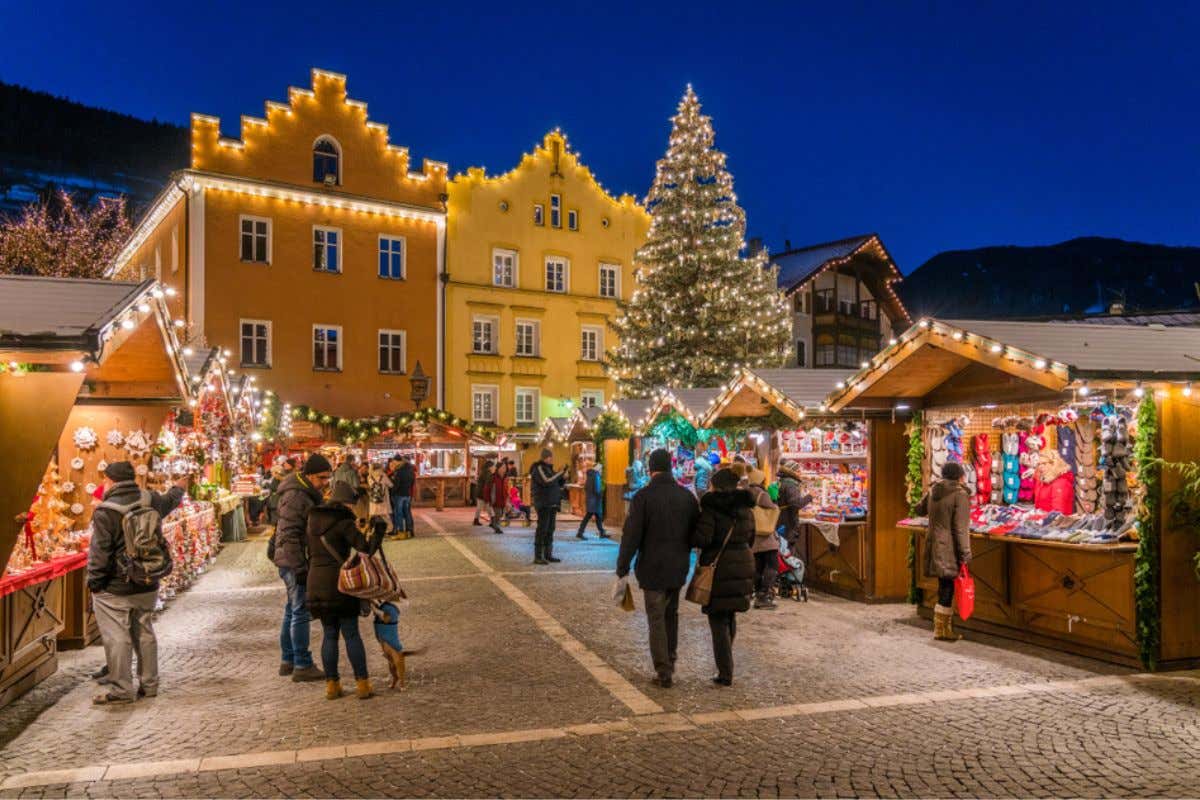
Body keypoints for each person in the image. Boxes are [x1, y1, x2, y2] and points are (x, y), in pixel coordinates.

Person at [87, 461, 187, 704]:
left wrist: (95, 582)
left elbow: (100, 551)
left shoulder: (106, 511)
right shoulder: (150, 499)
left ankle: (121, 689)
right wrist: (178, 488)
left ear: (109, 481)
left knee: (117, 636)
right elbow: (170, 500)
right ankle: (149, 684)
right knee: (144, 630)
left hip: (116, 585)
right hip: (148, 579)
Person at [616, 448, 699, 688]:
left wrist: (622, 566)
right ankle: (669, 659)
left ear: (651, 468)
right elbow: (696, 533)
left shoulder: (643, 497)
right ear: (671, 468)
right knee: (671, 614)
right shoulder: (686, 497)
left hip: (652, 568)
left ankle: (664, 670)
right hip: (678, 567)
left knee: (656, 618)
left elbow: (631, 535)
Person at [306, 481, 386, 700]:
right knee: (351, 633)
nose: (352, 508)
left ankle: (332, 686)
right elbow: (366, 549)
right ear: (345, 503)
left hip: (316, 583)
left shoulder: (312, 519)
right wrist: (379, 531)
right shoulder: (344, 521)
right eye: (351, 504)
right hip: (340, 585)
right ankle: (362, 685)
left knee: (329, 634)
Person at [271, 454, 332, 682]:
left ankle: (288, 659)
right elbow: (289, 534)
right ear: (309, 475)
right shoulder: (297, 495)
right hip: (293, 561)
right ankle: (302, 664)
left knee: (292, 608)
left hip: (289, 559)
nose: (325, 482)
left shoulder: (302, 492)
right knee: (300, 611)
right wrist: (300, 568)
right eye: (322, 477)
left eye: (328, 477)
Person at [694, 467, 756, 686]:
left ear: (716, 486)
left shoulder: (712, 509)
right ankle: (726, 662)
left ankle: (725, 672)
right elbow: (751, 537)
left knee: (718, 618)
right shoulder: (746, 509)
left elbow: (703, 538)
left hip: (720, 568)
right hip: (743, 563)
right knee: (730, 615)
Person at [916, 461, 973, 641]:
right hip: (949, 547)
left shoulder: (934, 490)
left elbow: (919, 509)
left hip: (934, 543)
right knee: (947, 586)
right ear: (960, 476)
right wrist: (965, 553)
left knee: (944, 585)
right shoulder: (960, 495)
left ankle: (941, 627)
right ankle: (942, 630)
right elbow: (960, 528)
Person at [746, 468, 781, 609]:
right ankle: (763, 595)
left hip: (753, 535)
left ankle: (757, 594)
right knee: (772, 565)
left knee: (758, 566)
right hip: (765, 536)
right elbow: (773, 509)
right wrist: (774, 499)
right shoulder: (761, 493)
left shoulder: (746, 492)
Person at [530, 449, 567, 564]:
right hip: (543, 503)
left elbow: (555, 483)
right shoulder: (538, 468)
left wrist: (563, 478)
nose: (552, 459)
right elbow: (547, 481)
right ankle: (538, 556)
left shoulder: (549, 469)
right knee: (542, 529)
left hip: (552, 503)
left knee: (550, 529)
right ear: (545, 458)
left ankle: (548, 554)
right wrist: (560, 473)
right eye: (550, 457)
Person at [775, 460, 814, 555]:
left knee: (782, 545)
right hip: (788, 522)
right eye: (798, 471)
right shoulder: (791, 485)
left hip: (781, 520)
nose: (800, 473)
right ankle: (789, 568)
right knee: (787, 549)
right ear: (792, 471)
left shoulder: (781, 482)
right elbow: (796, 504)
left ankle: (785, 566)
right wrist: (810, 496)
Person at [576, 459, 608, 540]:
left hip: (590, 499)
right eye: (600, 469)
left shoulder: (589, 475)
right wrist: (601, 494)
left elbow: (586, 487)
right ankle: (580, 532)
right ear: (598, 469)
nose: (601, 471)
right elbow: (597, 489)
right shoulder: (596, 476)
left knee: (597, 517)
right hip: (595, 501)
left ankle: (602, 532)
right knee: (589, 517)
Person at [391, 456, 416, 537]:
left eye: (394, 462)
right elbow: (412, 482)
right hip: (407, 494)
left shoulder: (399, 471)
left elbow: (396, 484)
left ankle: (401, 531)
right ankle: (410, 530)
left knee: (399, 513)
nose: (394, 464)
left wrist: (392, 492)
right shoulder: (410, 469)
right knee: (407, 512)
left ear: (399, 462)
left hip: (399, 494)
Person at [367, 463, 393, 530]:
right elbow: (391, 485)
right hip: (383, 499)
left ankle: (371, 529)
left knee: (372, 515)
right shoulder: (383, 476)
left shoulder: (369, 477)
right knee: (385, 515)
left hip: (374, 499)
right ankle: (389, 529)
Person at [485, 461, 508, 534]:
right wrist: (487, 500)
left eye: (505, 467)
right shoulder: (493, 477)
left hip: (502, 499)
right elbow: (487, 489)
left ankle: (493, 524)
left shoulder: (505, 477)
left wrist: (507, 498)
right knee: (497, 514)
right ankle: (497, 528)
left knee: (500, 513)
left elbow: (505, 488)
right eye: (503, 467)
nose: (505, 469)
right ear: (498, 469)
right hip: (495, 499)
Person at [473, 460, 495, 526]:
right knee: (488, 506)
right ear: (490, 467)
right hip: (483, 492)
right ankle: (493, 521)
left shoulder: (483, 472)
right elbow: (487, 484)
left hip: (480, 492)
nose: (494, 467)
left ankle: (476, 520)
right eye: (493, 466)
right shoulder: (488, 473)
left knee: (480, 507)